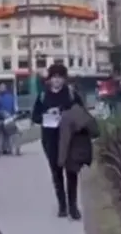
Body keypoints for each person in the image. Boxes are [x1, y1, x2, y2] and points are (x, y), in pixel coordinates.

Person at [31, 63, 86, 220]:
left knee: (71, 172)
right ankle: (62, 206)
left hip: (69, 138)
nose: (57, 81)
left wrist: (65, 115)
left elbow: (81, 113)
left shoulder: (71, 94)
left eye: (59, 77)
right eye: (54, 77)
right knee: (56, 173)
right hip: (50, 139)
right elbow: (34, 116)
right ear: (49, 79)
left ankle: (73, 206)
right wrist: (46, 115)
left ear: (64, 79)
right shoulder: (43, 96)